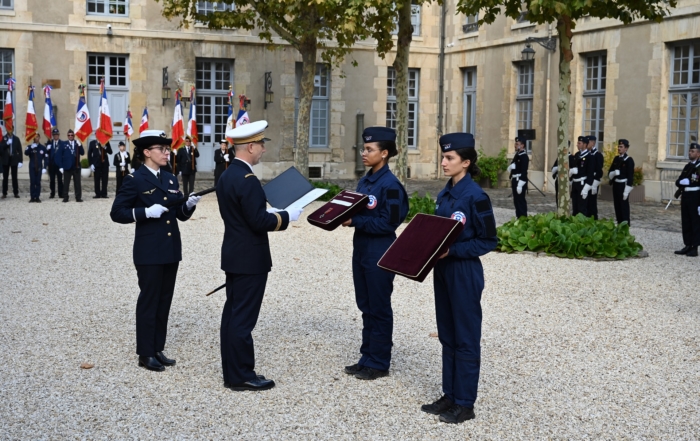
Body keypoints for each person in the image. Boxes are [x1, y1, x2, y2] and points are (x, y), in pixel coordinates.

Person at [217, 120, 303, 391]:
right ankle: (242, 375)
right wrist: (287, 216)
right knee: (243, 319)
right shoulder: (248, 180)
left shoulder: (227, 175)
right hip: (250, 258)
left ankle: (232, 372)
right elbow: (258, 221)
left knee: (232, 315)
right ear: (250, 146)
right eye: (261, 144)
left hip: (234, 253)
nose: (264, 150)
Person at [420, 132, 497, 424]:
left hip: (464, 271)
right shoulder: (447, 193)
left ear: (466, 162)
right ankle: (450, 395)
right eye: (443, 156)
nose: (443, 162)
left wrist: (452, 250)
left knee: (465, 338)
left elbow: (488, 241)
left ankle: (465, 403)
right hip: (443, 271)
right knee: (448, 335)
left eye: (449, 158)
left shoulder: (476, 197)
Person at [110, 130, 201, 372]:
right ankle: (145, 353)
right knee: (149, 301)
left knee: (164, 301)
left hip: (170, 249)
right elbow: (116, 213)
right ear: (147, 153)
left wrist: (188, 206)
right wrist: (144, 212)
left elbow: (178, 215)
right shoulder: (135, 179)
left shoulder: (170, 178)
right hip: (149, 251)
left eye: (167, 148)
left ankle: (158, 347)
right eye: (161, 149)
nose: (166, 152)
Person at [341, 126, 409, 381]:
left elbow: (388, 223)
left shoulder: (390, 185)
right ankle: (366, 357)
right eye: (364, 148)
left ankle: (379, 362)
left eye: (369, 149)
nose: (363, 153)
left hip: (379, 252)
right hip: (361, 250)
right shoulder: (365, 180)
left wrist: (355, 222)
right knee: (365, 305)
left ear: (384, 153)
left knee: (379, 307)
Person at [674, 143, 700, 257]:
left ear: (698, 153)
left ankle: (695, 247)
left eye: (693, 151)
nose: (690, 153)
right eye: (690, 151)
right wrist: (682, 182)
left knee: (695, 222)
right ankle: (688, 245)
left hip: (696, 197)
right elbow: (678, 181)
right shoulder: (687, 166)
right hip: (686, 196)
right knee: (686, 221)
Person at [608, 139, 635, 225]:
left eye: (621, 147)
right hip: (616, 184)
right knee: (617, 205)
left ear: (626, 148)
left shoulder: (629, 160)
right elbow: (610, 173)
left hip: (623, 185)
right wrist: (613, 173)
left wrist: (626, 191)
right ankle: (619, 222)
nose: (619, 148)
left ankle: (625, 224)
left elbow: (630, 177)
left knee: (624, 206)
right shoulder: (616, 159)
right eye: (619, 146)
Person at [55, 129, 85, 202]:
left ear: (74, 136)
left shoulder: (77, 143)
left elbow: (82, 153)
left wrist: (80, 145)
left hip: (76, 166)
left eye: (72, 135)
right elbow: (58, 156)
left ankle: (78, 197)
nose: (70, 136)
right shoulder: (63, 144)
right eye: (69, 135)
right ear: (67, 136)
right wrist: (61, 166)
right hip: (67, 167)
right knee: (66, 183)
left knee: (77, 183)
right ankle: (65, 197)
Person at [569, 136, 593, 216]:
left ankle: (582, 225)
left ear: (585, 144)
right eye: (577, 143)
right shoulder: (577, 155)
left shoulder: (589, 157)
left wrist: (586, 188)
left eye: (579, 143)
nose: (577, 145)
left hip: (582, 183)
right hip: (575, 183)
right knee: (575, 207)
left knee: (582, 208)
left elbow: (590, 174)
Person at [507, 135, 528, 218]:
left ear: (522, 145)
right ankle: (518, 216)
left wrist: (520, 184)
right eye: (515, 144)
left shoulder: (524, 156)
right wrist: (511, 167)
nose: (515, 146)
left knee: (520, 200)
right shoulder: (518, 155)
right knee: (516, 200)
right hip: (515, 179)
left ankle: (523, 217)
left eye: (517, 144)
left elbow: (524, 171)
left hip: (520, 181)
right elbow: (513, 165)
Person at [550, 141, 575, 208]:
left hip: (567, 181)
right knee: (558, 198)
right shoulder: (559, 158)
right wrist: (559, 167)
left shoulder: (571, 158)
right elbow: (553, 169)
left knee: (565, 199)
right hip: (558, 180)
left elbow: (573, 170)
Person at [25, 133, 47, 203]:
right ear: (33, 138)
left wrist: (45, 167)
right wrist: (31, 147)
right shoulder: (30, 146)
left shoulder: (42, 148)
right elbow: (26, 153)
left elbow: (46, 157)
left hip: (39, 167)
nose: (36, 138)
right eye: (35, 137)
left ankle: (37, 197)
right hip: (32, 167)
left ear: (39, 138)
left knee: (38, 182)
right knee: (32, 182)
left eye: (38, 137)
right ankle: (32, 197)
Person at [1, 132, 23, 198]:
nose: (9, 130)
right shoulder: (3, 138)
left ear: (12, 130)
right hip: (5, 160)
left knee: (14, 177)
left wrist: (20, 161)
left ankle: (16, 192)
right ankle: (4, 193)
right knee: (5, 178)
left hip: (14, 159)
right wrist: (6, 143)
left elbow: (20, 150)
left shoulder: (16, 139)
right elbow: (1, 148)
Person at [587, 135, 604, 220]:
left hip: (593, 182)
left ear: (593, 143)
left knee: (592, 203)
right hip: (586, 181)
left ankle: (594, 220)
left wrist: (594, 184)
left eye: (588, 142)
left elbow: (599, 171)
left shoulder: (597, 155)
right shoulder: (587, 154)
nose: (586, 144)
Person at [46, 128, 65, 199]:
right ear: (53, 135)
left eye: (57, 135)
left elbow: (63, 154)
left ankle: (61, 193)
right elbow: (46, 154)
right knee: (52, 180)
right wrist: (47, 149)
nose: (55, 136)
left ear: (59, 135)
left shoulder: (62, 143)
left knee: (60, 180)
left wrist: (62, 165)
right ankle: (52, 193)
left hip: (59, 165)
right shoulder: (49, 143)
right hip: (52, 164)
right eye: (54, 135)